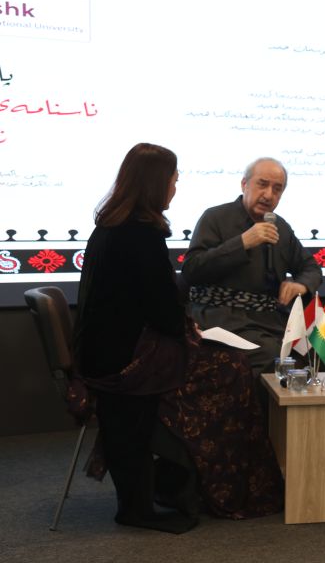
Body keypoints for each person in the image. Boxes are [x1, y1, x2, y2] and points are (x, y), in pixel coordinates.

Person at [74, 143, 282, 533]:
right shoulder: (141, 233)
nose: (174, 187)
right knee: (232, 370)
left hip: (112, 349)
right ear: (155, 184)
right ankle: (213, 483)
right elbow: (162, 306)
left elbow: (151, 302)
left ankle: (186, 481)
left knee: (228, 364)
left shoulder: (115, 225)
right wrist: (188, 331)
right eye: (173, 180)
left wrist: (183, 329)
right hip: (126, 361)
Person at [182, 157, 321, 375]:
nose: (268, 195)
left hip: (271, 319)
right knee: (272, 355)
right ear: (244, 184)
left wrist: (300, 285)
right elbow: (192, 269)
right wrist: (242, 243)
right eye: (262, 184)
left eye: (277, 189)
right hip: (224, 317)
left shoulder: (280, 227)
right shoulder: (215, 217)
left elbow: (311, 268)